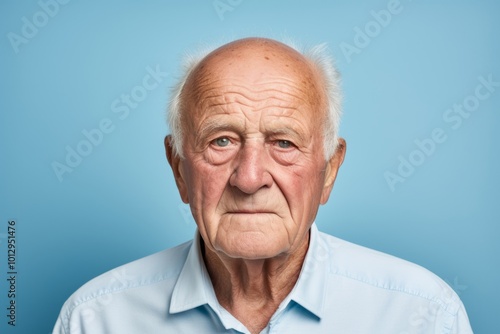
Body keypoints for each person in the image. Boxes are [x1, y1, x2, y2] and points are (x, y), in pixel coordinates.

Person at [53, 37, 473, 334]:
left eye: (284, 143)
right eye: (221, 141)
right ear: (179, 168)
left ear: (329, 171)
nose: (250, 178)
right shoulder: (95, 320)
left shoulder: (424, 316)